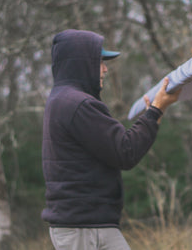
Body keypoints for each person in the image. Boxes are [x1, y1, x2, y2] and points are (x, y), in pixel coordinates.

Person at [42, 29, 181, 250]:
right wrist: (156, 111)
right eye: (99, 62)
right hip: (84, 228)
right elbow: (126, 151)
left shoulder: (62, 99)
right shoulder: (78, 104)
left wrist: (154, 113)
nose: (105, 69)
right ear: (81, 63)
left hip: (84, 225)